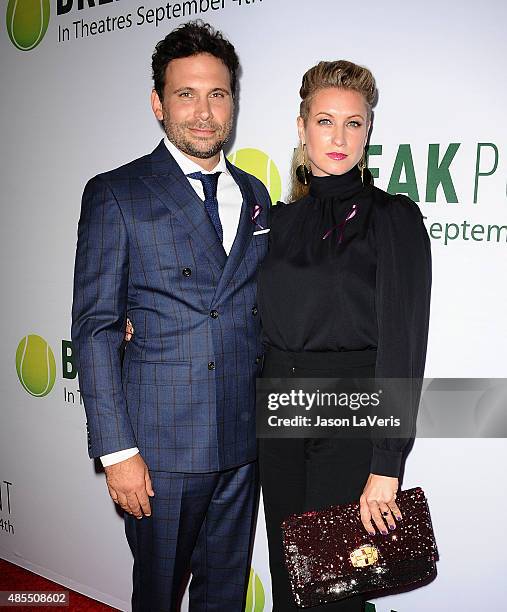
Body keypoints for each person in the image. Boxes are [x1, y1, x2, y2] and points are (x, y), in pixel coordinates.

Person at [71, 21, 270, 612]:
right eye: (186, 94)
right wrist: (117, 451)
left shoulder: (256, 195)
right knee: (157, 596)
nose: (204, 112)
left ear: (233, 100)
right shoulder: (117, 193)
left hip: (241, 441)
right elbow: (97, 327)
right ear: (159, 103)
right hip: (159, 451)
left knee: (225, 597)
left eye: (217, 93)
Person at [257, 61, 431, 611]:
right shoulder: (279, 223)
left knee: (336, 590)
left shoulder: (392, 218)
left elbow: (404, 342)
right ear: (302, 125)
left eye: (353, 123)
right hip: (278, 413)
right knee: (290, 580)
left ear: (368, 132)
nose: (338, 137)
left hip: (351, 415)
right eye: (325, 121)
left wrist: (387, 462)